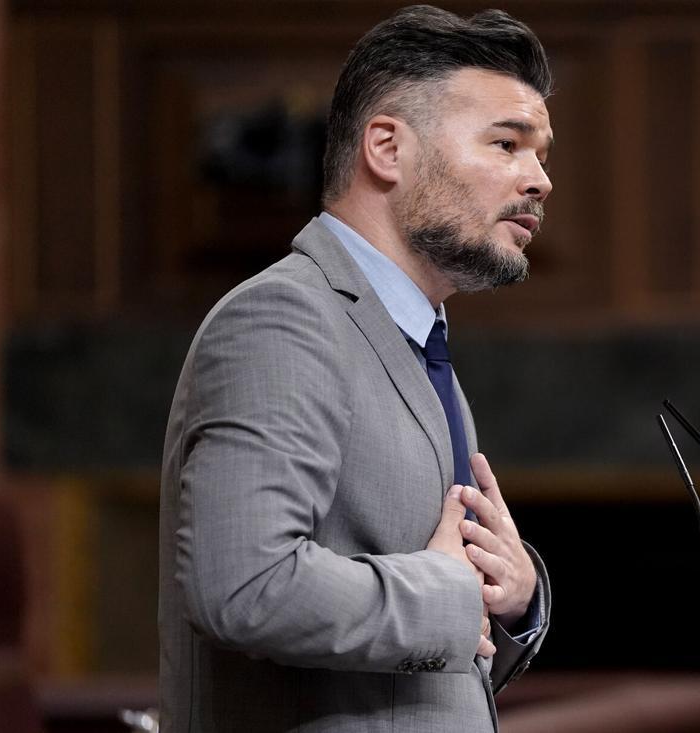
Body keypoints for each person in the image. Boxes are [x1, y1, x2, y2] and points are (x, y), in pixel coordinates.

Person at [157, 6, 555, 731]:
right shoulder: (283, 320)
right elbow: (241, 585)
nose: (539, 180)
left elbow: (427, 666)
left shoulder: (415, 340)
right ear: (387, 148)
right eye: (507, 144)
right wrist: (447, 595)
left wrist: (513, 594)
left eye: (541, 155)